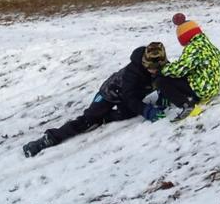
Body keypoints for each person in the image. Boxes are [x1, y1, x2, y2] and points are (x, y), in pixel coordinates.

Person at [22, 42, 168, 157]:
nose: (154, 71)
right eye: (150, 68)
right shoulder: (132, 73)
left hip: (129, 97)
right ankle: (49, 139)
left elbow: (166, 79)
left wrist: (165, 95)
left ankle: (105, 118)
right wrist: (147, 111)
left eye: (156, 68)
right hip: (109, 94)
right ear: (144, 63)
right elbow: (130, 97)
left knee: (129, 112)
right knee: (87, 120)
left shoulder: (162, 67)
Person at [152, 13, 220, 117]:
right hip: (216, 86)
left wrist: (162, 70)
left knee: (161, 81)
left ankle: (187, 105)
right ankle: (195, 94)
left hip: (204, 90)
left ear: (183, 37)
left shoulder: (193, 48)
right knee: (186, 73)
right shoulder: (206, 43)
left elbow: (180, 69)